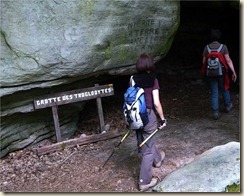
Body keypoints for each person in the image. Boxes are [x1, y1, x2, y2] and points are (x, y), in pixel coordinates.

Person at [129, 53, 167, 191]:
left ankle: (157, 160)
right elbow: (156, 103)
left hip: (134, 116)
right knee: (148, 150)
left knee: (146, 139)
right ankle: (144, 182)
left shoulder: (132, 78)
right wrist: (162, 119)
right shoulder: (153, 80)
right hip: (148, 115)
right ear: (150, 64)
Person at [201, 28, 237, 120]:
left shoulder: (207, 47)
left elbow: (204, 61)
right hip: (222, 73)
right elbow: (228, 60)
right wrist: (233, 71)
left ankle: (215, 112)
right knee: (225, 88)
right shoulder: (223, 47)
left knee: (214, 92)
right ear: (219, 37)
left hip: (211, 73)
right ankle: (228, 106)